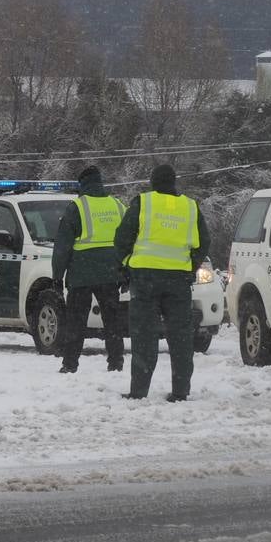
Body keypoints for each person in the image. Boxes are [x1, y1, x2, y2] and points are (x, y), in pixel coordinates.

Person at [114, 164, 209, 402]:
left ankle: (139, 391)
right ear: (174, 182)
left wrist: (127, 264)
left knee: (144, 336)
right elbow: (203, 243)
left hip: (145, 278)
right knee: (180, 337)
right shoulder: (190, 207)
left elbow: (122, 237)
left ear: (153, 181)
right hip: (178, 280)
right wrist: (190, 268)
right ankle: (180, 390)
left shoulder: (143, 203)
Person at [51, 165, 126, 374]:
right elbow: (130, 238)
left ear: (82, 184)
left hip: (81, 274)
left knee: (76, 321)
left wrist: (57, 275)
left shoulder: (78, 206)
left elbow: (62, 245)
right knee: (112, 321)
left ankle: (70, 364)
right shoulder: (118, 205)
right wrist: (126, 270)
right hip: (111, 273)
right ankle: (116, 362)